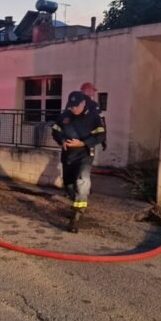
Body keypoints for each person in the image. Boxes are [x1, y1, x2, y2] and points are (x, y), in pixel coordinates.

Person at [52, 91, 106, 233]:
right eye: (71, 106)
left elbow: (101, 135)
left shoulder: (93, 117)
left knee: (81, 182)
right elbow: (55, 130)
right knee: (69, 185)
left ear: (83, 104)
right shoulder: (65, 115)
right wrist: (62, 140)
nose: (73, 109)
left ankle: (76, 217)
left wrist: (83, 143)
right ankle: (76, 201)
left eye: (76, 106)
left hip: (85, 155)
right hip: (68, 156)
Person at [80, 82, 107, 151]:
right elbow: (101, 121)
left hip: (75, 140)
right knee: (85, 160)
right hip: (88, 140)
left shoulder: (73, 103)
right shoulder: (92, 105)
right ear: (88, 90)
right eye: (92, 91)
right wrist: (103, 138)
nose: (93, 93)